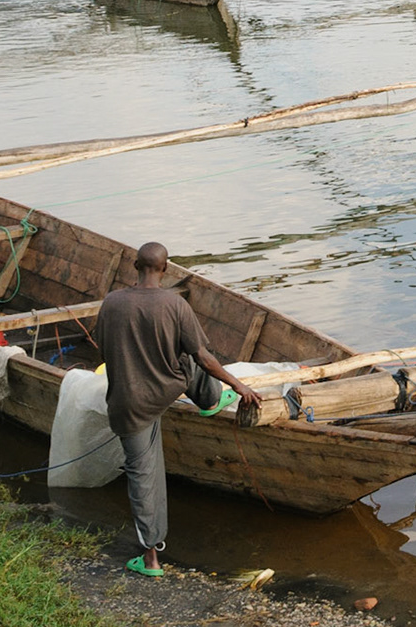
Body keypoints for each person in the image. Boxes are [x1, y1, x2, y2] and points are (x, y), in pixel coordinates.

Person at [98, 243, 262, 579]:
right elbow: (204, 357)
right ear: (165, 269)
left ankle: (151, 559)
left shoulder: (112, 302)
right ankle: (211, 400)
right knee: (191, 356)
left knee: (144, 478)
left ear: (134, 265)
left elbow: (105, 347)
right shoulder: (175, 304)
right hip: (164, 391)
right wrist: (238, 385)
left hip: (129, 404)